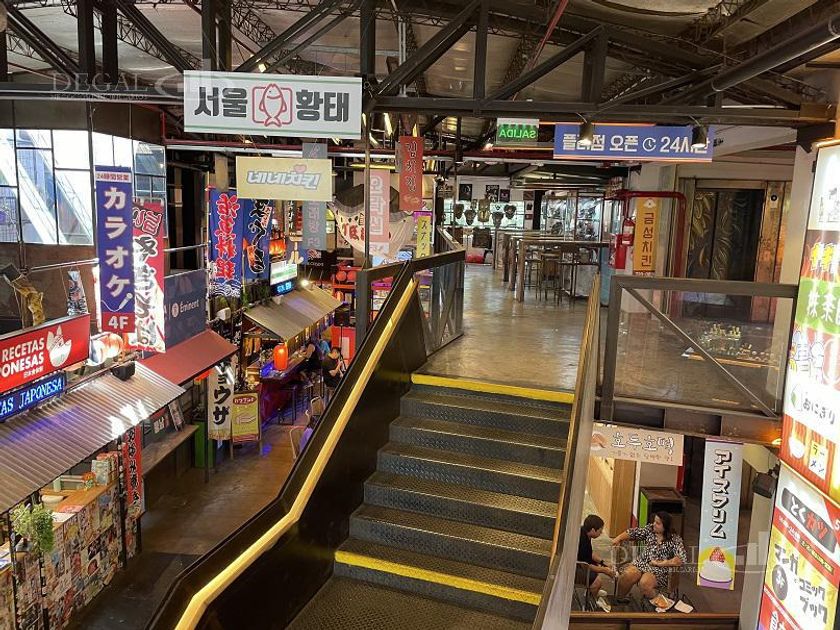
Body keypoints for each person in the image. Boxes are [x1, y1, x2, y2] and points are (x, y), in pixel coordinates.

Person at [612, 511, 687, 604]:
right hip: (642, 563)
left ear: (666, 526)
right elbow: (633, 533)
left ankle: (661, 604)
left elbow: (680, 559)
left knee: (645, 583)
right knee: (628, 575)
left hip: (660, 570)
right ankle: (620, 599)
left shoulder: (675, 540)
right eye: (654, 521)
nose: (654, 524)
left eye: (658, 523)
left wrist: (659, 563)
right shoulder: (650, 530)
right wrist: (618, 538)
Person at [577, 514, 615, 608]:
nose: (601, 533)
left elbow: (590, 553)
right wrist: (604, 570)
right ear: (593, 530)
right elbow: (585, 565)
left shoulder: (585, 533)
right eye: (600, 531)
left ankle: (592, 591)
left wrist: (603, 563)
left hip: (583, 563)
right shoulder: (581, 540)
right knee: (597, 582)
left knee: (598, 570)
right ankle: (589, 602)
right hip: (576, 567)